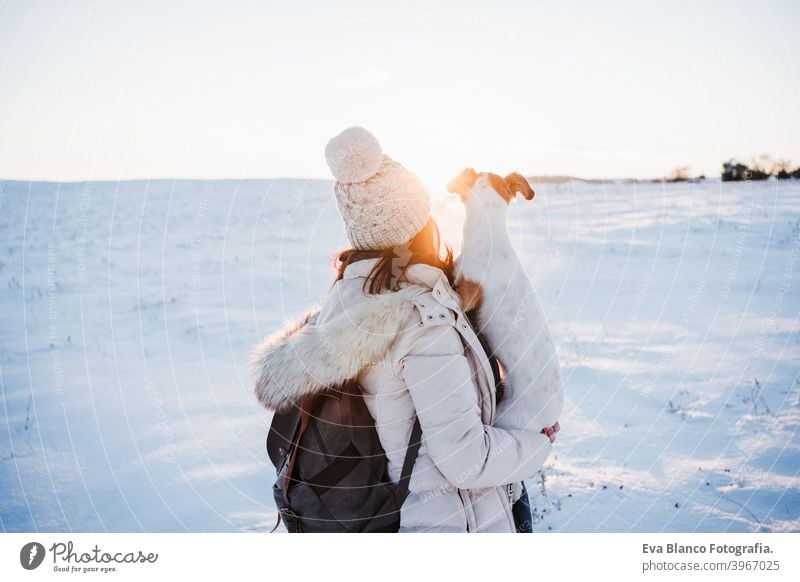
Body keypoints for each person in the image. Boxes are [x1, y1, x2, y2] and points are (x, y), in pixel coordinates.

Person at [252, 126, 557, 532]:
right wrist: (538, 445)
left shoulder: (341, 305)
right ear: (417, 222)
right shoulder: (423, 323)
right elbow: (465, 459)